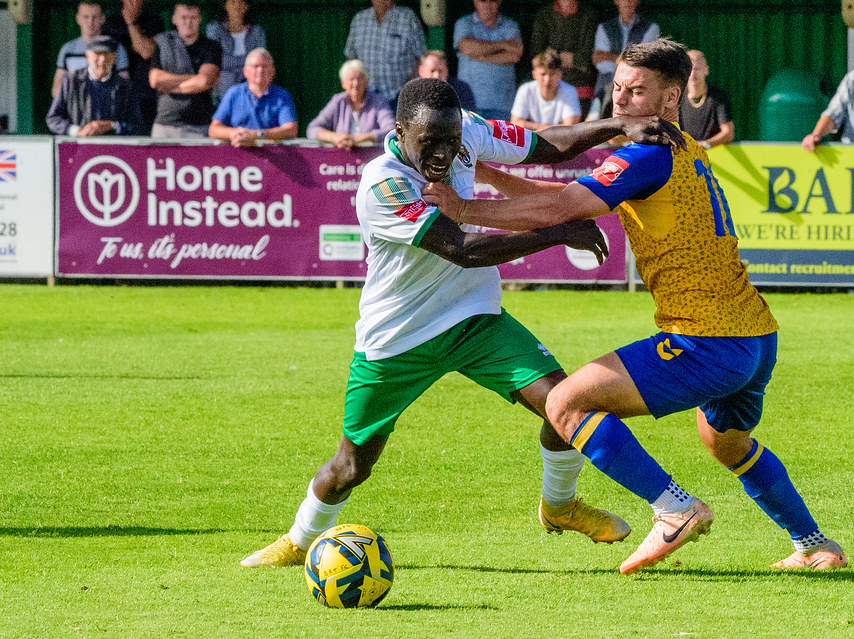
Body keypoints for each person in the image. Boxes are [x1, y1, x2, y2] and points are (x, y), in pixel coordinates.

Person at [423, 39, 848, 574]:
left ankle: (674, 509)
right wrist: (485, 173)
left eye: (636, 91)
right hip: (755, 335)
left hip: (707, 339)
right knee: (726, 442)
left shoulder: (646, 154)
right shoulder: (686, 148)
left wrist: (463, 208)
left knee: (567, 403)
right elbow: (558, 198)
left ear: (671, 98)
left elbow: (559, 207)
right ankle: (815, 545)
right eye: (617, 88)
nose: (620, 101)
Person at [240, 77, 689, 570]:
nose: (442, 154)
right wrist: (555, 231)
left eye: (450, 142)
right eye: (429, 142)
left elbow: (547, 145)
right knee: (351, 466)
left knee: (565, 404)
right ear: (400, 132)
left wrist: (618, 125)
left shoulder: (469, 129)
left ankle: (559, 506)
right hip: (399, 338)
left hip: (475, 319)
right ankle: (297, 542)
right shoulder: (383, 183)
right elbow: (461, 249)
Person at [148, 3, 222, 138]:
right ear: (174, 19)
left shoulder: (211, 47)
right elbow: (155, 80)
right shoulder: (163, 43)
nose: (188, 22)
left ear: (200, 19)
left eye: (193, 18)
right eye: (184, 18)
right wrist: (194, 79)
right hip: (165, 125)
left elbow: (204, 81)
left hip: (199, 127)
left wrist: (170, 87)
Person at [46, 35, 142, 137]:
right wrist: (77, 131)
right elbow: (53, 118)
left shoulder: (125, 86)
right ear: (88, 56)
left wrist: (112, 126)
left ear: (114, 58)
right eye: (98, 54)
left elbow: (136, 125)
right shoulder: (71, 82)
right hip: (77, 144)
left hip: (112, 145)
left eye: (107, 54)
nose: (102, 59)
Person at [344, 0, 426, 112]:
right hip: (366, 99)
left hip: (398, 98)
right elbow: (350, 57)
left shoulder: (407, 18)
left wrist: (409, 90)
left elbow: (421, 57)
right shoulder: (359, 20)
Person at [208, 48, 297, 146]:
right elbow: (214, 129)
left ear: (272, 71)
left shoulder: (281, 96)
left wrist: (258, 135)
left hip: (271, 152)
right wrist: (233, 133)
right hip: (237, 152)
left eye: (265, 66)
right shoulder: (234, 93)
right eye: (256, 66)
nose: (260, 70)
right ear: (245, 71)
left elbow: (291, 130)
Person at [453, 0, 522, 121]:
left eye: (493, 0)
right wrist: (504, 44)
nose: (488, 4)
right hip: (469, 104)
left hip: (502, 105)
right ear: (475, 1)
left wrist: (481, 56)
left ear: (499, 2)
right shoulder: (464, 23)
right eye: (484, 0)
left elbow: (514, 55)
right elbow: (468, 48)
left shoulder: (510, 25)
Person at [101, 0, 163, 133]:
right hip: (117, 92)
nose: (132, 2)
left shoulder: (153, 21)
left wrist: (130, 23)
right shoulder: (111, 22)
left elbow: (146, 51)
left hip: (146, 94)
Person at [590, 0, 658, 119]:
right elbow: (599, 60)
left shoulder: (651, 28)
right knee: (593, 117)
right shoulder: (604, 28)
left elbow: (643, 61)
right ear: (616, 1)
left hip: (635, 87)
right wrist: (626, 61)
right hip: (605, 85)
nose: (627, 1)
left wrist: (610, 57)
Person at [306, 59, 395, 149]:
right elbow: (312, 129)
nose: (356, 84)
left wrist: (360, 138)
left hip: (371, 154)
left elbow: (390, 130)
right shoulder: (337, 101)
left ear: (366, 81)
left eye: (360, 78)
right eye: (351, 79)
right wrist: (334, 137)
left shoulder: (379, 102)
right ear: (343, 83)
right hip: (341, 155)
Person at [531, 0, 598, 117]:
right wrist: (564, 60)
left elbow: (590, 58)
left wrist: (554, 58)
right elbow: (537, 56)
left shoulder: (590, 15)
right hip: (550, 83)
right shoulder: (544, 15)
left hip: (581, 85)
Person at [52, 2, 129, 99]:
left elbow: (124, 86)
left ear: (102, 19)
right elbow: (57, 88)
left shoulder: (116, 48)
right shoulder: (67, 49)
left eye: (95, 17)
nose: (90, 22)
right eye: (86, 17)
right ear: (78, 19)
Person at [205, 0, 267, 101]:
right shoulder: (215, 29)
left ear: (246, 6)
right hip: (223, 85)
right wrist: (245, 62)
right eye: (233, 2)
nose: (237, 6)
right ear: (225, 5)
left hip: (250, 83)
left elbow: (261, 61)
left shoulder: (257, 32)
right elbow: (214, 60)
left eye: (241, 2)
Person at [511, 49, 583, 131]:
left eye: (552, 74)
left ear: (560, 74)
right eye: (543, 74)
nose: (547, 80)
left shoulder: (570, 91)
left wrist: (539, 129)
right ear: (534, 74)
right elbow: (515, 123)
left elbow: (571, 127)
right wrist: (543, 128)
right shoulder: (525, 90)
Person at [678, 50, 734, 150]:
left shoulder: (718, 96)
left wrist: (705, 145)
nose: (692, 74)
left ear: (706, 70)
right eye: (689, 69)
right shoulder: (677, 96)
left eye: (697, 69)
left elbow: (728, 133)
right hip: (684, 154)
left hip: (713, 154)